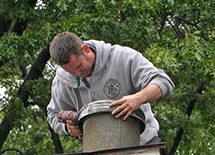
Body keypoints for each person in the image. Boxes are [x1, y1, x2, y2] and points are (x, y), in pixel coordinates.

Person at [47, 32, 175, 145]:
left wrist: (138, 98)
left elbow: (163, 81)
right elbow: (53, 115)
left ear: (85, 49)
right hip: (97, 152)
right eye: (71, 72)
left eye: (79, 66)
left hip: (143, 143)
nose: (78, 74)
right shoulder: (61, 81)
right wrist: (67, 128)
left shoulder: (123, 57)